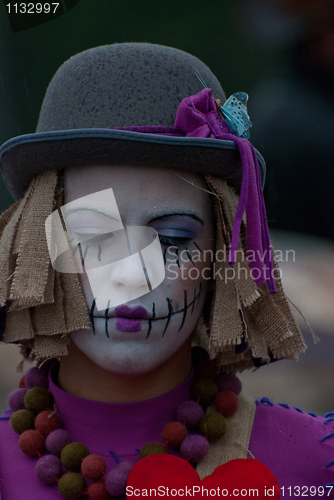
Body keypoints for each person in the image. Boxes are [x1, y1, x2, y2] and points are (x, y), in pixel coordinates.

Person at [0, 43, 333, 500]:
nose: (133, 274)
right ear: (40, 246)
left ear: (223, 256)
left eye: (174, 239)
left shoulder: (316, 465)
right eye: (94, 236)